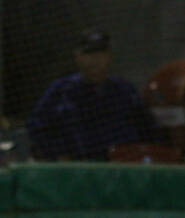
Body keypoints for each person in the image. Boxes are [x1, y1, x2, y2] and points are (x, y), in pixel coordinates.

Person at [27, 29, 162, 161]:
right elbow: (37, 128)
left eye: (101, 54)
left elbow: (148, 129)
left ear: (109, 56)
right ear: (77, 57)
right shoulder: (61, 90)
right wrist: (59, 153)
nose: (95, 60)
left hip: (121, 167)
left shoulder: (125, 90)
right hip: (80, 167)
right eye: (88, 54)